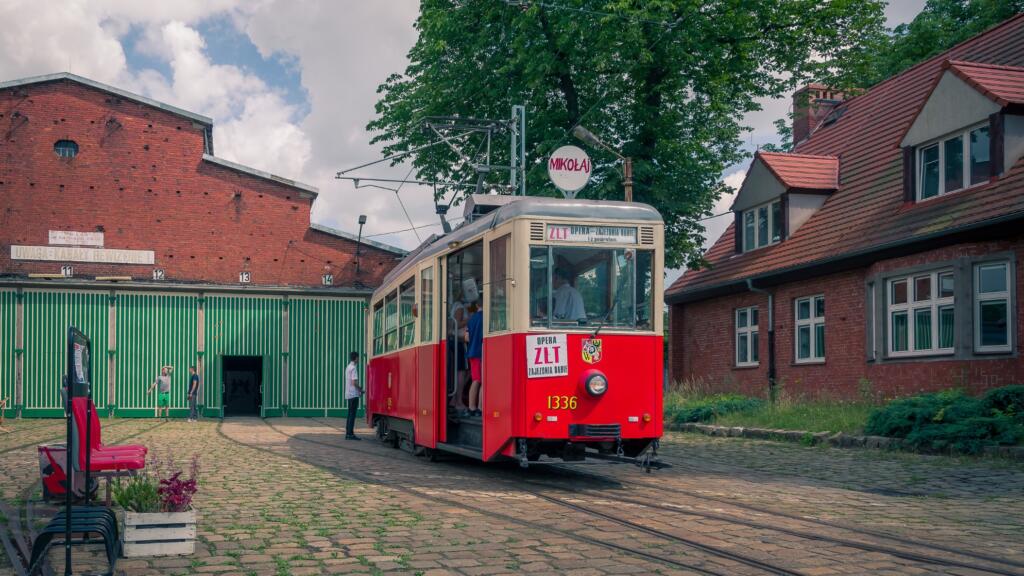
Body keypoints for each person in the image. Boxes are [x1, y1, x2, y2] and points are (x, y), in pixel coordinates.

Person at [448, 287, 470, 414]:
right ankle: (458, 401)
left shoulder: (455, 305)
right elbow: (457, 323)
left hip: (458, 340)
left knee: (463, 371)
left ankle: (454, 400)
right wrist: (470, 319)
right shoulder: (460, 306)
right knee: (461, 371)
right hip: (459, 341)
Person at [465, 301, 484, 417]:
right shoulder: (486, 318)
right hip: (481, 352)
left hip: (472, 352)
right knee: (482, 381)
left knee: (475, 380)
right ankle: (480, 407)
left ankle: (472, 407)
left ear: (477, 305)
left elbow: (466, 338)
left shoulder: (471, 319)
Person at [344, 351, 363, 440]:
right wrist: (360, 389)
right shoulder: (354, 368)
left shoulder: (348, 367)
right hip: (353, 394)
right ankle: (350, 434)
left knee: (349, 414)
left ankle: (348, 433)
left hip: (348, 394)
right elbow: (354, 382)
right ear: (356, 358)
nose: (358, 359)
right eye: (358, 358)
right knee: (352, 414)